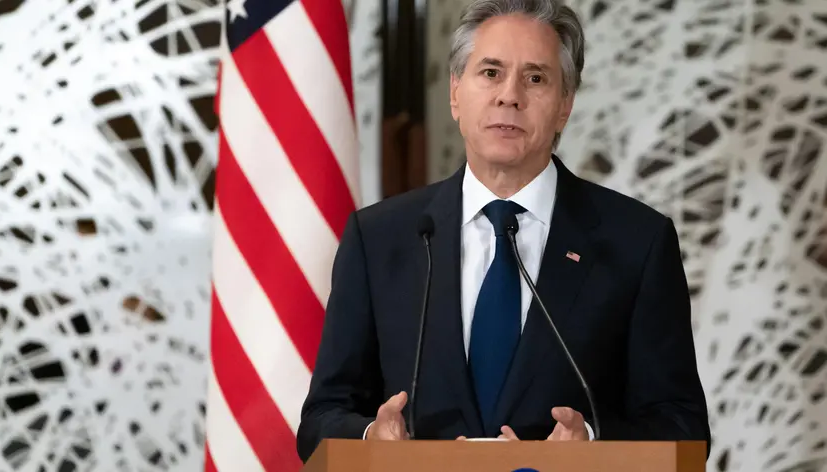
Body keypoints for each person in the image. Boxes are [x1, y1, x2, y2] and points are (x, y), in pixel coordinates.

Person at [297, 0, 710, 462]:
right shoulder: (378, 239)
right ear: (456, 92)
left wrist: (592, 447)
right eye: (491, 73)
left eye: (535, 78)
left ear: (565, 105)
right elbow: (321, 419)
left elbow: (684, 431)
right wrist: (372, 437)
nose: (509, 96)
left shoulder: (638, 242)